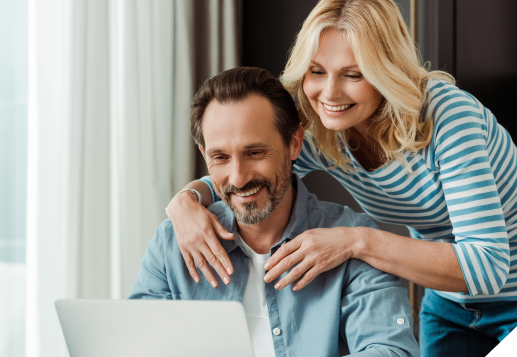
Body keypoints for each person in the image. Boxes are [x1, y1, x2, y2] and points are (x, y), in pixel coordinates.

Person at [165, 1, 517, 356]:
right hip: (449, 303)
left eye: (353, 74)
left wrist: (356, 241)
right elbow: (248, 176)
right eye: (316, 71)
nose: (329, 93)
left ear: (386, 71)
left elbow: (487, 267)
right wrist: (185, 202)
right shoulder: (322, 132)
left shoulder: (448, 118)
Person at [130, 67, 419, 357]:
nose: (238, 178)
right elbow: (134, 344)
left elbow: (390, 351)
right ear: (205, 155)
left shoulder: (353, 243)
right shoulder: (173, 242)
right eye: (220, 157)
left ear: (293, 144)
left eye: (255, 153)